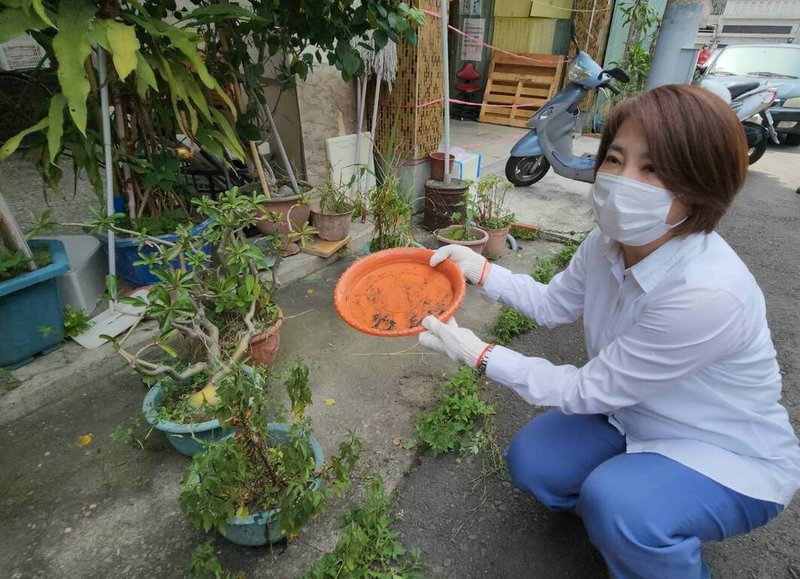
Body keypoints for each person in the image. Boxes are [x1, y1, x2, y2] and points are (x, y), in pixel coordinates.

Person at [418, 84, 800, 578]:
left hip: (722, 451)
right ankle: (625, 514)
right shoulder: (607, 243)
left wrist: (483, 355)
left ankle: (640, 529)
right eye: (615, 159)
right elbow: (554, 304)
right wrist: (482, 270)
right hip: (632, 415)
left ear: (702, 185)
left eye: (653, 169)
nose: (622, 181)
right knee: (533, 461)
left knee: (619, 505)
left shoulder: (707, 291)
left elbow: (587, 388)